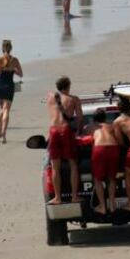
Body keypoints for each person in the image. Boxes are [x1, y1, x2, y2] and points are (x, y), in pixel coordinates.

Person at [47, 76, 81, 205]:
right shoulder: (73, 99)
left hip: (53, 130)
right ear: (69, 85)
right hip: (66, 130)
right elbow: (79, 118)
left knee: (55, 166)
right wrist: (77, 131)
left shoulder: (50, 98)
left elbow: (53, 96)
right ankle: (74, 196)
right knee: (73, 164)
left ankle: (57, 197)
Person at [84, 109, 121, 214]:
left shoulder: (89, 127)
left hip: (99, 149)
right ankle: (112, 205)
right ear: (105, 118)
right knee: (111, 178)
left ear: (93, 119)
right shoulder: (110, 126)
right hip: (113, 148)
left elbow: (81, 139)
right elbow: (119, 140)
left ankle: (102, 206)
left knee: (98, 179)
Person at [0, 40, 21, 143]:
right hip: (9, 86)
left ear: (2, 48)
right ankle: (3, 133)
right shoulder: (15, 60)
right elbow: (20, 74)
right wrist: (13, 70)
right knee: (6, 110)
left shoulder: (0, 58)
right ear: (11, 48)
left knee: (2, 109)